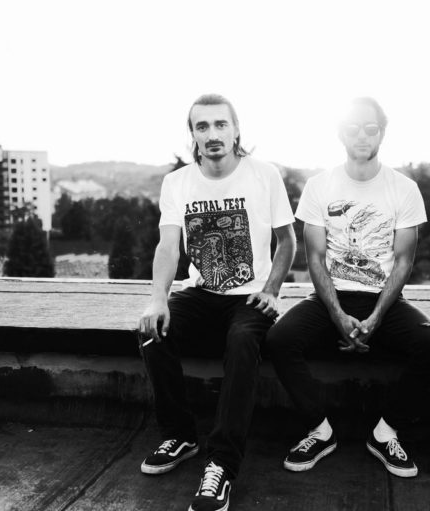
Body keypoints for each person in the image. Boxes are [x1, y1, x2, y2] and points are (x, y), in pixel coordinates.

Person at [266, 97, 430, 478]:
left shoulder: (404, 189)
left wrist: (377, 317)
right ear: (340, 133)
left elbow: (403, 262)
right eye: (353, 128)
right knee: (279, 338)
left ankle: (385, 433)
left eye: (370, 128)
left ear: (382, 132)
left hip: (384, 299)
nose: (362, 135)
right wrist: (337, 315)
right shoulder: (319, 186)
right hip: (330, 296)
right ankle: (320, 431)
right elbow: (316, 259)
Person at [137, 93, 296, 511]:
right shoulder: (177, 183)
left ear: (236, 129)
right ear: (192, 134)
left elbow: (287, 241)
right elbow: (167, 247)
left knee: (243, 342)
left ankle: (222, 464)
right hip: (201, 292)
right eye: (202, 126)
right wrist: (158, 299)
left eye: (221, 124)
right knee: (152, 331)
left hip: (250, 297)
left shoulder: (264, 175)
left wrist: (272, 290)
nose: (212, 134)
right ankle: (180, 436)